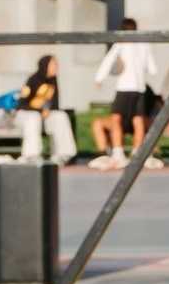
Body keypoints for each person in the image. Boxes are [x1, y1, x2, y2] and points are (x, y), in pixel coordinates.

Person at [92, 18, 159, 170]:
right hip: (139, 88)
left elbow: (109, 60)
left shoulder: (121, 43)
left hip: (124, 87)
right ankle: (137, 153)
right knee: (138, 120)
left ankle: (118, 153)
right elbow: (153, 68)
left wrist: (99, 78)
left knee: (116, 119)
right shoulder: (145, 44)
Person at [14, 54, 79, 164]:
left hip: (43, 117)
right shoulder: (33, 79)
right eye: (53, 64)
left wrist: (48, 112)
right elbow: (22, 104)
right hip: (26, 115)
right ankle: (32, 155)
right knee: (33, 118)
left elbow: (55, 104)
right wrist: (39, 112)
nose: (56, 66)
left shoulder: (53, 80)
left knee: (60, 116)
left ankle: (64, 154)